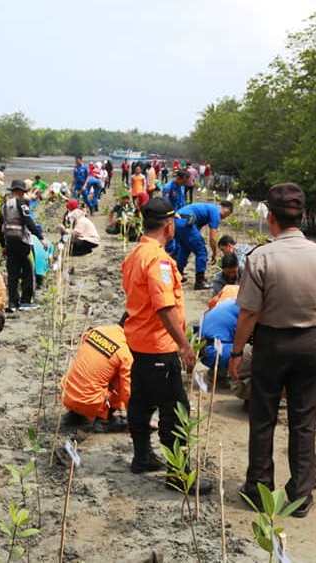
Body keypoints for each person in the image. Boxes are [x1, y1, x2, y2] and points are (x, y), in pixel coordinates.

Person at [228, 183, 316, 517]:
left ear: (271, 218)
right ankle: (300, 495)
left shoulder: (260, 257)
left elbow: (249, 313)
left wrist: (236, 353)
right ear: (301, 217)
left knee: (263, 418)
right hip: (310, 342)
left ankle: (259, 490)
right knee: (304, 421)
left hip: (272, 344)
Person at [121, 197, 211, 494]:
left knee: (141, 400)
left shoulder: (136, 253)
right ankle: (178, 474)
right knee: (175, 409)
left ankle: (142, 457)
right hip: (158, 346)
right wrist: (184, 346)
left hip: (138, 343)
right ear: (169, 226)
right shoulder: (157, 260)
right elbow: (164, 307)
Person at [60, 323, 132, 432]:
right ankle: (105, 420)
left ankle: (75, 414)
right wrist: (138, 418)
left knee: (94, 367)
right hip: (90, 403)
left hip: (66, 393)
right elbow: (127, 392)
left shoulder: (96, 331)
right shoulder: (125, 352)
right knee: (123, 377)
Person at [0, 179, 44, 311]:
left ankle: (12, 302)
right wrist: (40, 237)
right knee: (28, 271)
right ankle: (25, 301)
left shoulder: (4, 206)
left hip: (9, 242)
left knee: (12, 273)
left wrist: (3, 245)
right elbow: (28, 221)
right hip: (22, 241)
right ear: (20, 192)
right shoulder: (21, 203)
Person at [173, 200, 234, 290]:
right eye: (227, 214)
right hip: (186, 221)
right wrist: (214, 253)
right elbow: (212, 238)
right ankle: (199, 282)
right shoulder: (216, 212)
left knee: (185, 248)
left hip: (177, 221)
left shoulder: (208, 208)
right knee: (201, 251)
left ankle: (178, 275)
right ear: (225, 209)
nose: (224, 217)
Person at [199, 297, 239, 374]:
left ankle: (217, 374)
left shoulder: (229, 299)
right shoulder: (248, 308)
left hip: (205, 349)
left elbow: (211, 303)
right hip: (217, 352)